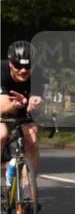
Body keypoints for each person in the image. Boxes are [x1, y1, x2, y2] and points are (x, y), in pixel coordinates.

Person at [1, 41, 45, 180]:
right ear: (10, 64)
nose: (24, 70)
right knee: (1, 134)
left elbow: (34, 100)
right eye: (18, 66)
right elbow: (2, 106)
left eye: (28, 66)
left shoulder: (39, 73)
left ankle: (29, 191)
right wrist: (15, 104)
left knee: (32, 138)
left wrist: (35, 103)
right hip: (4, 106)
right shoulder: (1, 72)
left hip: (21, 107)